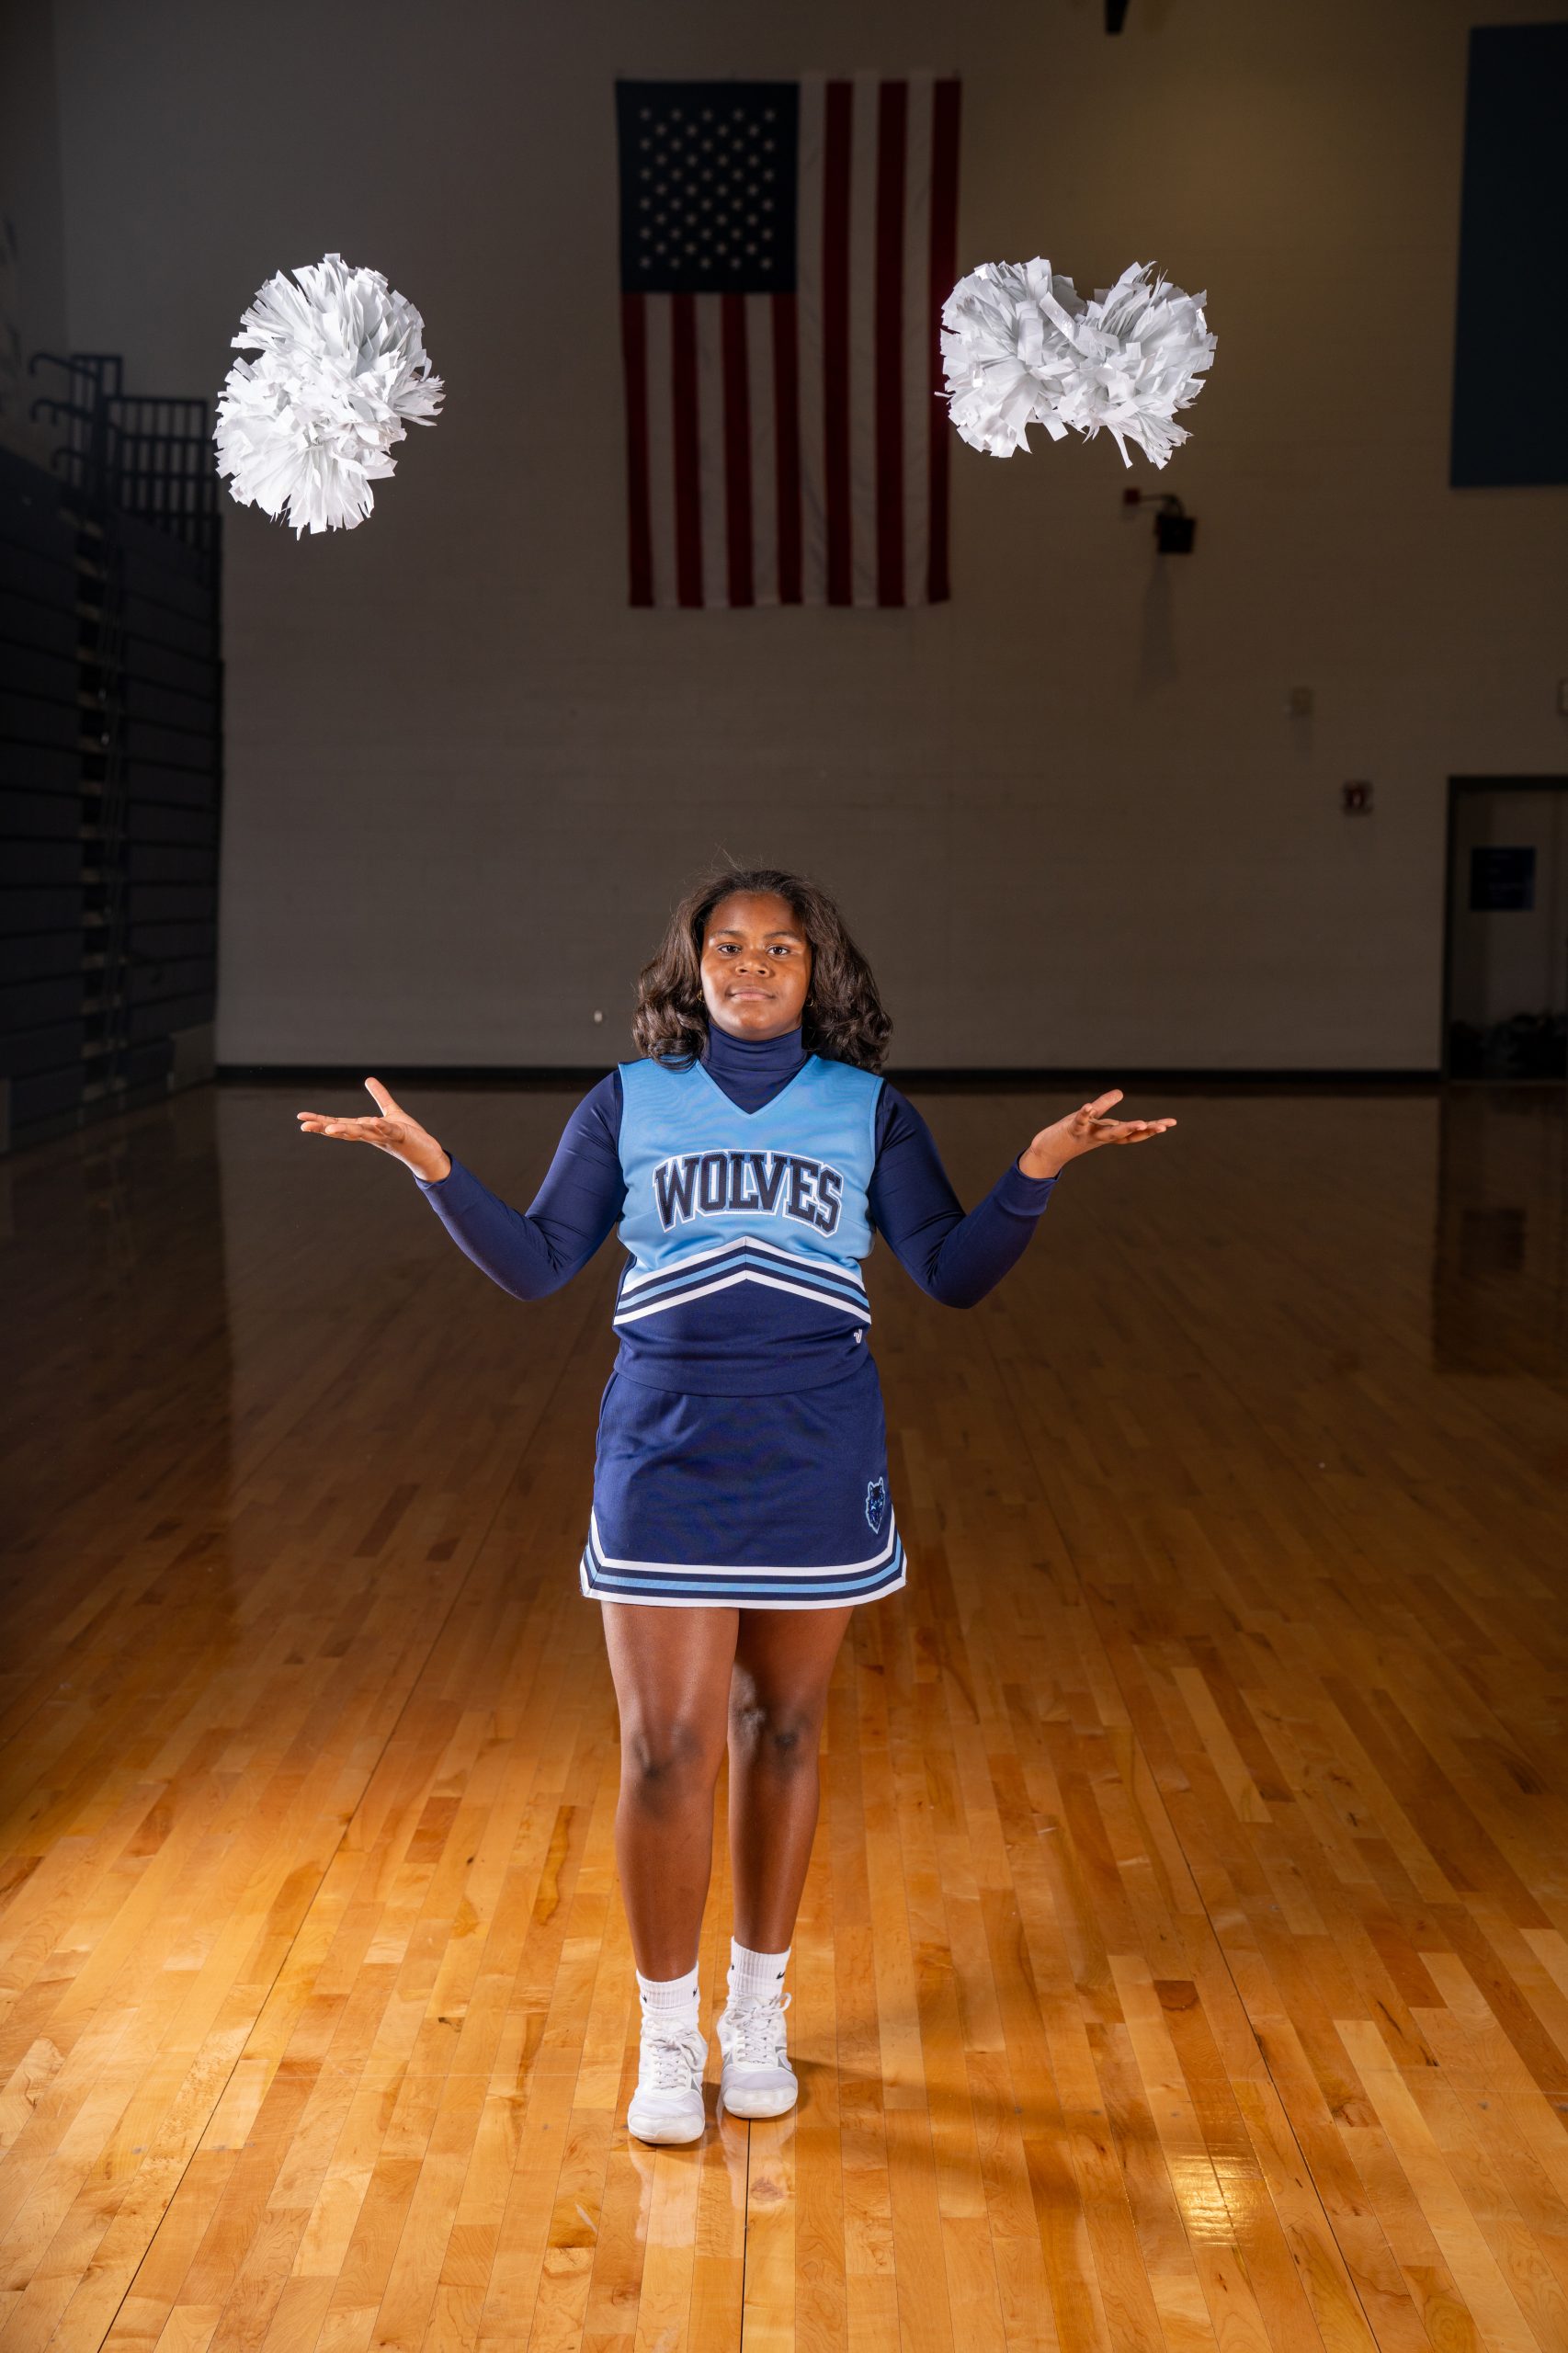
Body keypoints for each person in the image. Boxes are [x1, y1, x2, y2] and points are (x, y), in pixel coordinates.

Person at [296, 866, 1176, 2143]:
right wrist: (434, 1167)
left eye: (780, 948)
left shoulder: (868, 1109)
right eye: (727, 945)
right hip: (664, 1450)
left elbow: (950, 1272)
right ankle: (667, 2033)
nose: (752, 966)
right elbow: (540, 1265)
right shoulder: (626, 1100)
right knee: (664, 1749)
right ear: (690, 964)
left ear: (820, 972)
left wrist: (1037, 1168)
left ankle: (757, 2013)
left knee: (783, 1731)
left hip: (814, 1447)